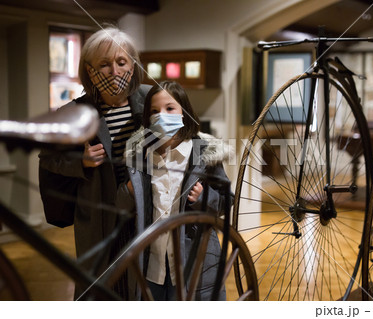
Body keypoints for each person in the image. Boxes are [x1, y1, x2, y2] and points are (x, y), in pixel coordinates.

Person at [38, 26, 151, 299]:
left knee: (145, 287)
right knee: (101, 288)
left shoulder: (152, 100)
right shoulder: (73, 112)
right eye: (104, 64)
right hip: (100, 218)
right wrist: (81, 161)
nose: (114, 71)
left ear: (132, 65)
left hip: (145, 214)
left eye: (121, 62)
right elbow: (49, 158)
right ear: (90, 71)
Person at [117, 80, 233, 300]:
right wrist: (129, 191)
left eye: (170, 108)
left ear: (184, 113)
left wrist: (203, 198)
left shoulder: (203, 155)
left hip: (194, 264)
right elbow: (121, 206)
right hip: (151, 265)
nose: (161, 115)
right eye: (153, 111)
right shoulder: (139, 157)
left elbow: (227, 200)